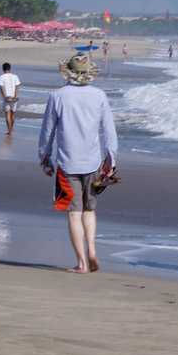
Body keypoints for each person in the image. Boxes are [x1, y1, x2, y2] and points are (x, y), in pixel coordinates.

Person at [38, 54, 118, 274]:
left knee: (74, 213)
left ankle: (82, 262)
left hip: (67, 163)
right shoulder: (99, 95)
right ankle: (92, 250)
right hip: (93, 162)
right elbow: (109, 131)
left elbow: (48, 131)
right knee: (90, 211)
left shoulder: (57, 96)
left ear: (68, 72)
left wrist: (44, 157)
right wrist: (111, 159)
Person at [0, 62, 22, 134]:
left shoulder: (1, 77)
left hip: (7, 98)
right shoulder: (15, 76)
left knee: (7, 114)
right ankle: (12, 128)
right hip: (14, 97)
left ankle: (9, 130)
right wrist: (15, 95)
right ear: (10, 68)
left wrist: (5, 97)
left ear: (3, 69)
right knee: (13, 114)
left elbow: (2, 88)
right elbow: (17, 87)